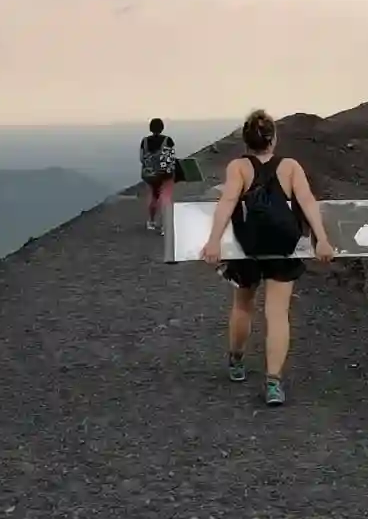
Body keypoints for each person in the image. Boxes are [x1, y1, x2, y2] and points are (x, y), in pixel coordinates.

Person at [200, 109, 334, 406]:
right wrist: (321, 239)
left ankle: (236, 362)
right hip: (282, 248)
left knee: (243, 306)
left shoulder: (238, 167)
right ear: (273, 138)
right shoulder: (290, 167)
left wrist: (213, 241)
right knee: (277, 314)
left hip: (248, 248)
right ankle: (273, 383)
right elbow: (308, 202)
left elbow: (228, 201)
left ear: (246, 140)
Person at [138, 117, 178, 231]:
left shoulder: (144, 141)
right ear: (162, 128)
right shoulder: (168, 140)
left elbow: (141, 158)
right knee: (165, 197)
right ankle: (165, 226)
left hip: (149, 174)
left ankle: (151, 222)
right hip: (165, 174)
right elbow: (170, 158)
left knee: (153, 196)